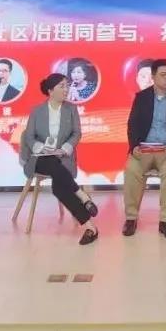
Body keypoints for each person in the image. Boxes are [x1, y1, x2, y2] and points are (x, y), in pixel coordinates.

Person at [19, 73, 100, 245]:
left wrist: (64, 149)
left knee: (59, 188)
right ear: (50, 91)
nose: (66, 89)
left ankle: (90, 227)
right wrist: (42, 148)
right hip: (39, 158)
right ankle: (81, 195)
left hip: (62, 158)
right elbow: (29, 137)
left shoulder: (71, 109)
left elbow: (76, 133)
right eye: (62, 86)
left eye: (67, 86)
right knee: (50, 161)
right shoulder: (37, 111)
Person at [122, 58, 166, 240]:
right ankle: (131, 218)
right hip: (143, 149)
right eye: (163, 75)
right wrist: (134, 146)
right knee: (131, 169)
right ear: (153, 77)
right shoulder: (141, 98)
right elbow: (132, 124)